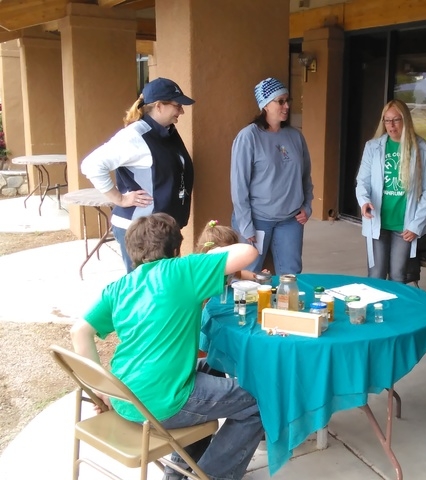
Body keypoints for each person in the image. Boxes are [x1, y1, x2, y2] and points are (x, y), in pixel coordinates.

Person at [70, 213, 264, 479]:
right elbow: (248, 252)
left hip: (124, 395)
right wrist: (214, 254)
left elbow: (79, 331)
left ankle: (178, 473)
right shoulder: (183, 270)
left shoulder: (118, 287)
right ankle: (212, 475)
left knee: (213, 364)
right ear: (175, 249)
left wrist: (100, 389)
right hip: (162, 403)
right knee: (261, 400)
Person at [81, 77, 195, 273]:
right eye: (177, 106)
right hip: (142, 233)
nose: (181, 111)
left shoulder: (166, 132)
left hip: (162, 230)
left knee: (164, 284)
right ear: (159, 106)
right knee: (145, 287)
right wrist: (120, 199)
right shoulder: (134, 136)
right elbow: (91, 165)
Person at [230, 77, 314, 275]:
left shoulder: (295, 136)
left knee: (291, 275)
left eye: (288, 100)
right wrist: (246, 225)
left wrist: (307, 206)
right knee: (249, 274)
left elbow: (305, 177)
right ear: (265, 105)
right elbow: (239, 185)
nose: (287, 106)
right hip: (257, 219)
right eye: (280, 101)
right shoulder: (248, 137)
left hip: (290, 220)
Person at [355, 99, 426, 282]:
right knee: (376, 274)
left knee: (398, 275)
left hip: (405, 225)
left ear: (405, 119)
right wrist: (364, 201)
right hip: (378, 220)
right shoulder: (373, 147)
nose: (391, 125)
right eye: (387, 120)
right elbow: (362, 181)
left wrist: (416, 225)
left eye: (396, 120)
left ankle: (395, 303)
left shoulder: (424, 149)